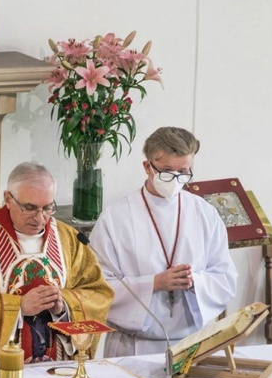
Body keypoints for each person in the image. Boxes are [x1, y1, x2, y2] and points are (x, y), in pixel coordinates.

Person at [0, 162, 113, 371]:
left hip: (59, 370)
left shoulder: (69, 239)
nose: (40, 218)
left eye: (48, 208)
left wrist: (64, 307)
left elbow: (97, 292)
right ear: (7, 199)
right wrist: (17, 307)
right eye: (30, 208)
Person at [89, 126, 238, 356]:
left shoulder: (204, 213)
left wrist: (195, 282)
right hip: (134, 346)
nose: (176, 180)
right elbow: (97, 287)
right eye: (167, 171)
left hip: (193, 342)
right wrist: (154, 283)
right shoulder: (115, 217)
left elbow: (225, 277)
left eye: (184, 172)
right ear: (147, 166)